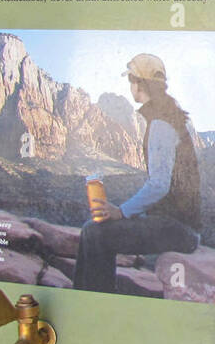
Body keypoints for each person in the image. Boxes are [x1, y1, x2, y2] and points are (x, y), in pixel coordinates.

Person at [73, 53, 201, 293]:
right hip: (179, 225)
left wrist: (121, 212)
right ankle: (87, 298)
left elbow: (159, 185)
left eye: (131, 79)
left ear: (140, 84)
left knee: (94, 234)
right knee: (92, 230)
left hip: (178, 229)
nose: (130, 85)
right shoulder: (169, 117)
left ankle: (97, 305)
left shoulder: (161, 124)